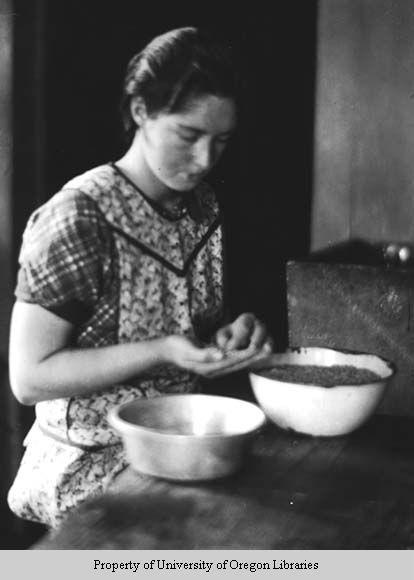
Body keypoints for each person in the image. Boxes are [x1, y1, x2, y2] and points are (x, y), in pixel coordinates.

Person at [7, 27, 273, 528]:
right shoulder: (80, 217)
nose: (204, 161)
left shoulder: (202, 207)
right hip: (87, 465)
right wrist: (162, 350)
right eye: (188, 136)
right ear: (141, 114)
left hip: (180, 447)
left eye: (221, 141)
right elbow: (29, 377)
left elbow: (188, 330)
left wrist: (228, 337)